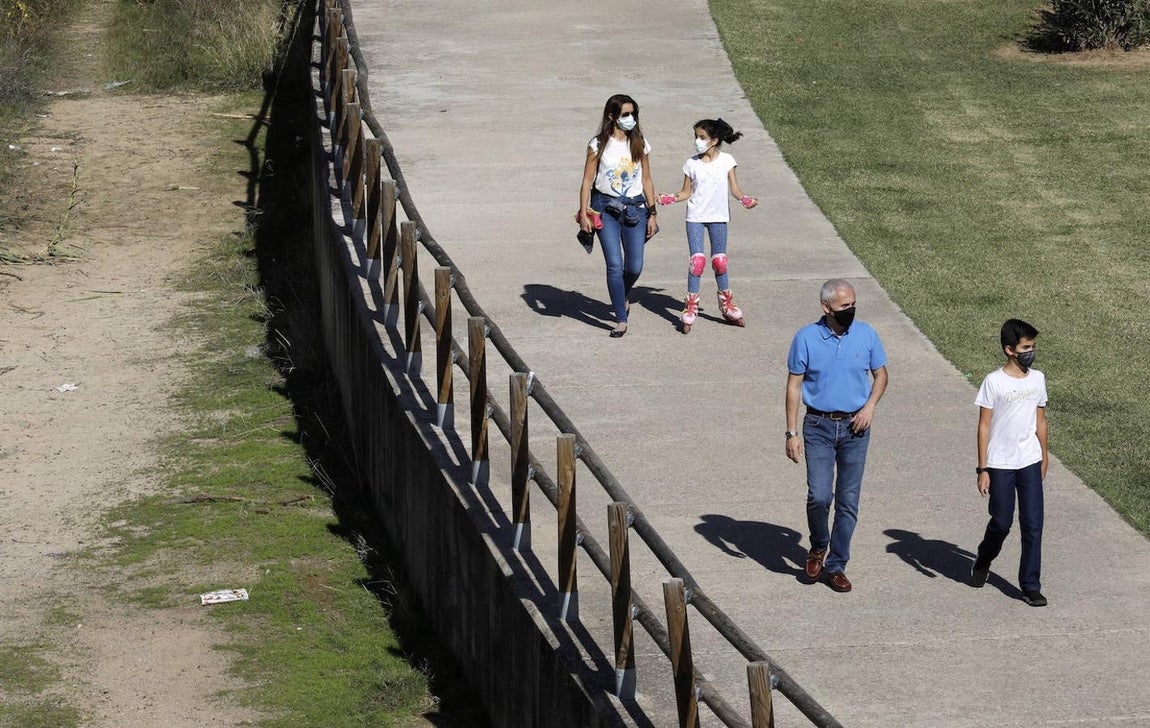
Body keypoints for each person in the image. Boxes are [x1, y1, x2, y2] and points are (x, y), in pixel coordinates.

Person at [785, 279, 888, 593]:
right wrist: (791, 432)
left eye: (853, 304)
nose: (851, 311)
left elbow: (881, 375)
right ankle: (819, 545)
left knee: (847, 500)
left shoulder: (867, 334)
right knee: (819, 495)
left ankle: (836, 565)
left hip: (856, 428)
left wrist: (869, 407)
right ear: (826, 307)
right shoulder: (805, 338)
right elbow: (793, 386)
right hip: (818, 426)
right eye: (844, 306)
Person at [969, 319, 1049, 607]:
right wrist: (982, 468)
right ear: (1009, 350)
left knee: (1033, 524)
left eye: (1033, 347)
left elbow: (1040, 420)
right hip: (1000, 463)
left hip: (1029, 460)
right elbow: (984, 427)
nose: (1031, 352)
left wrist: (1044, 454)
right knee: (1002, 522)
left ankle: (1030, 585)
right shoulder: (994, 382)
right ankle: (984, 557)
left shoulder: (1037, 379)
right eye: (1026, 347)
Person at [658, 118, 757, 333]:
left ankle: (726, 304)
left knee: (720, 261)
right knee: (698, 261)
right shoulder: (691, 163)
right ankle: (691, 305)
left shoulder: (727, 161)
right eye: (696, 137)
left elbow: (735, 189)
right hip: (695, 216)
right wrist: (670, 198)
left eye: (701, 137)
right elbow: (686, 192)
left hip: (718, 216)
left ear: (714, 140)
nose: (697, 141)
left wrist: (745, 199)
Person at [578, 94, 658, 338]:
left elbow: (646, 179)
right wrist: (584, 213)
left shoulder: (639, 143)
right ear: (612, 116)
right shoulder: (598, 145)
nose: (630, 118)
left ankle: (621, 293)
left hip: (636, 209)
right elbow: (587, 180)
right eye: (625, 114)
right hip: (605, 209)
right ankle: (620, 319)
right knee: (615, 265)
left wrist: (653, 212)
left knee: (634, 266)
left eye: (633, 113)